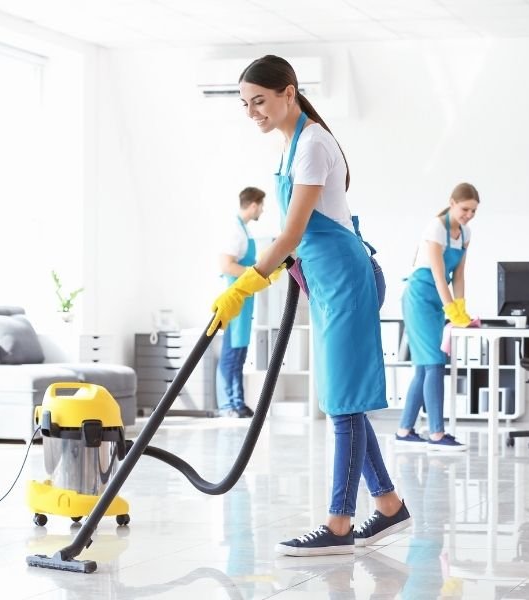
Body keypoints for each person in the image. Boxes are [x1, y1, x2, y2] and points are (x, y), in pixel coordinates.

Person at [207, 54, 411, 557]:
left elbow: (294, 231)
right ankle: (388, 507)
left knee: (341, 405)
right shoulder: (289, 146)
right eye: (245, 104)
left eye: (259, 100)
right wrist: (280, 270)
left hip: (346, 279)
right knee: (344, 401)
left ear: (288, 92)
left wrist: (245, 285)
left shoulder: (313, 143)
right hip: (325, 280)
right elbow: (296, 235)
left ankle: (338, 525)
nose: (252, 111)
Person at [395, 184, 480, 451]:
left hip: (438, 299)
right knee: (434, 362)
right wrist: (451, 310)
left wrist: (461, 307)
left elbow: (459, 275)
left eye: (474, 211)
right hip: (420, 297)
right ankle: (436, 433)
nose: (468, 215)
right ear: (452, 203)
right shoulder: (435, 228)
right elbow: (437, 273)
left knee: (424, 366)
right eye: (465, 209)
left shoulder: (465, 233)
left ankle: (405, 429)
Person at [216, 186, 266, 418]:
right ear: (254, 204)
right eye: (262, 205)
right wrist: (253, 274)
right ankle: (228, 404)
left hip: (245, 299)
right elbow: (227, 265)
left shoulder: (244, 230)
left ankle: (238, 402)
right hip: (235, 297)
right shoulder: (234, 231)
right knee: (231, 352)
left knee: (240, 353)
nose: (262, 210)